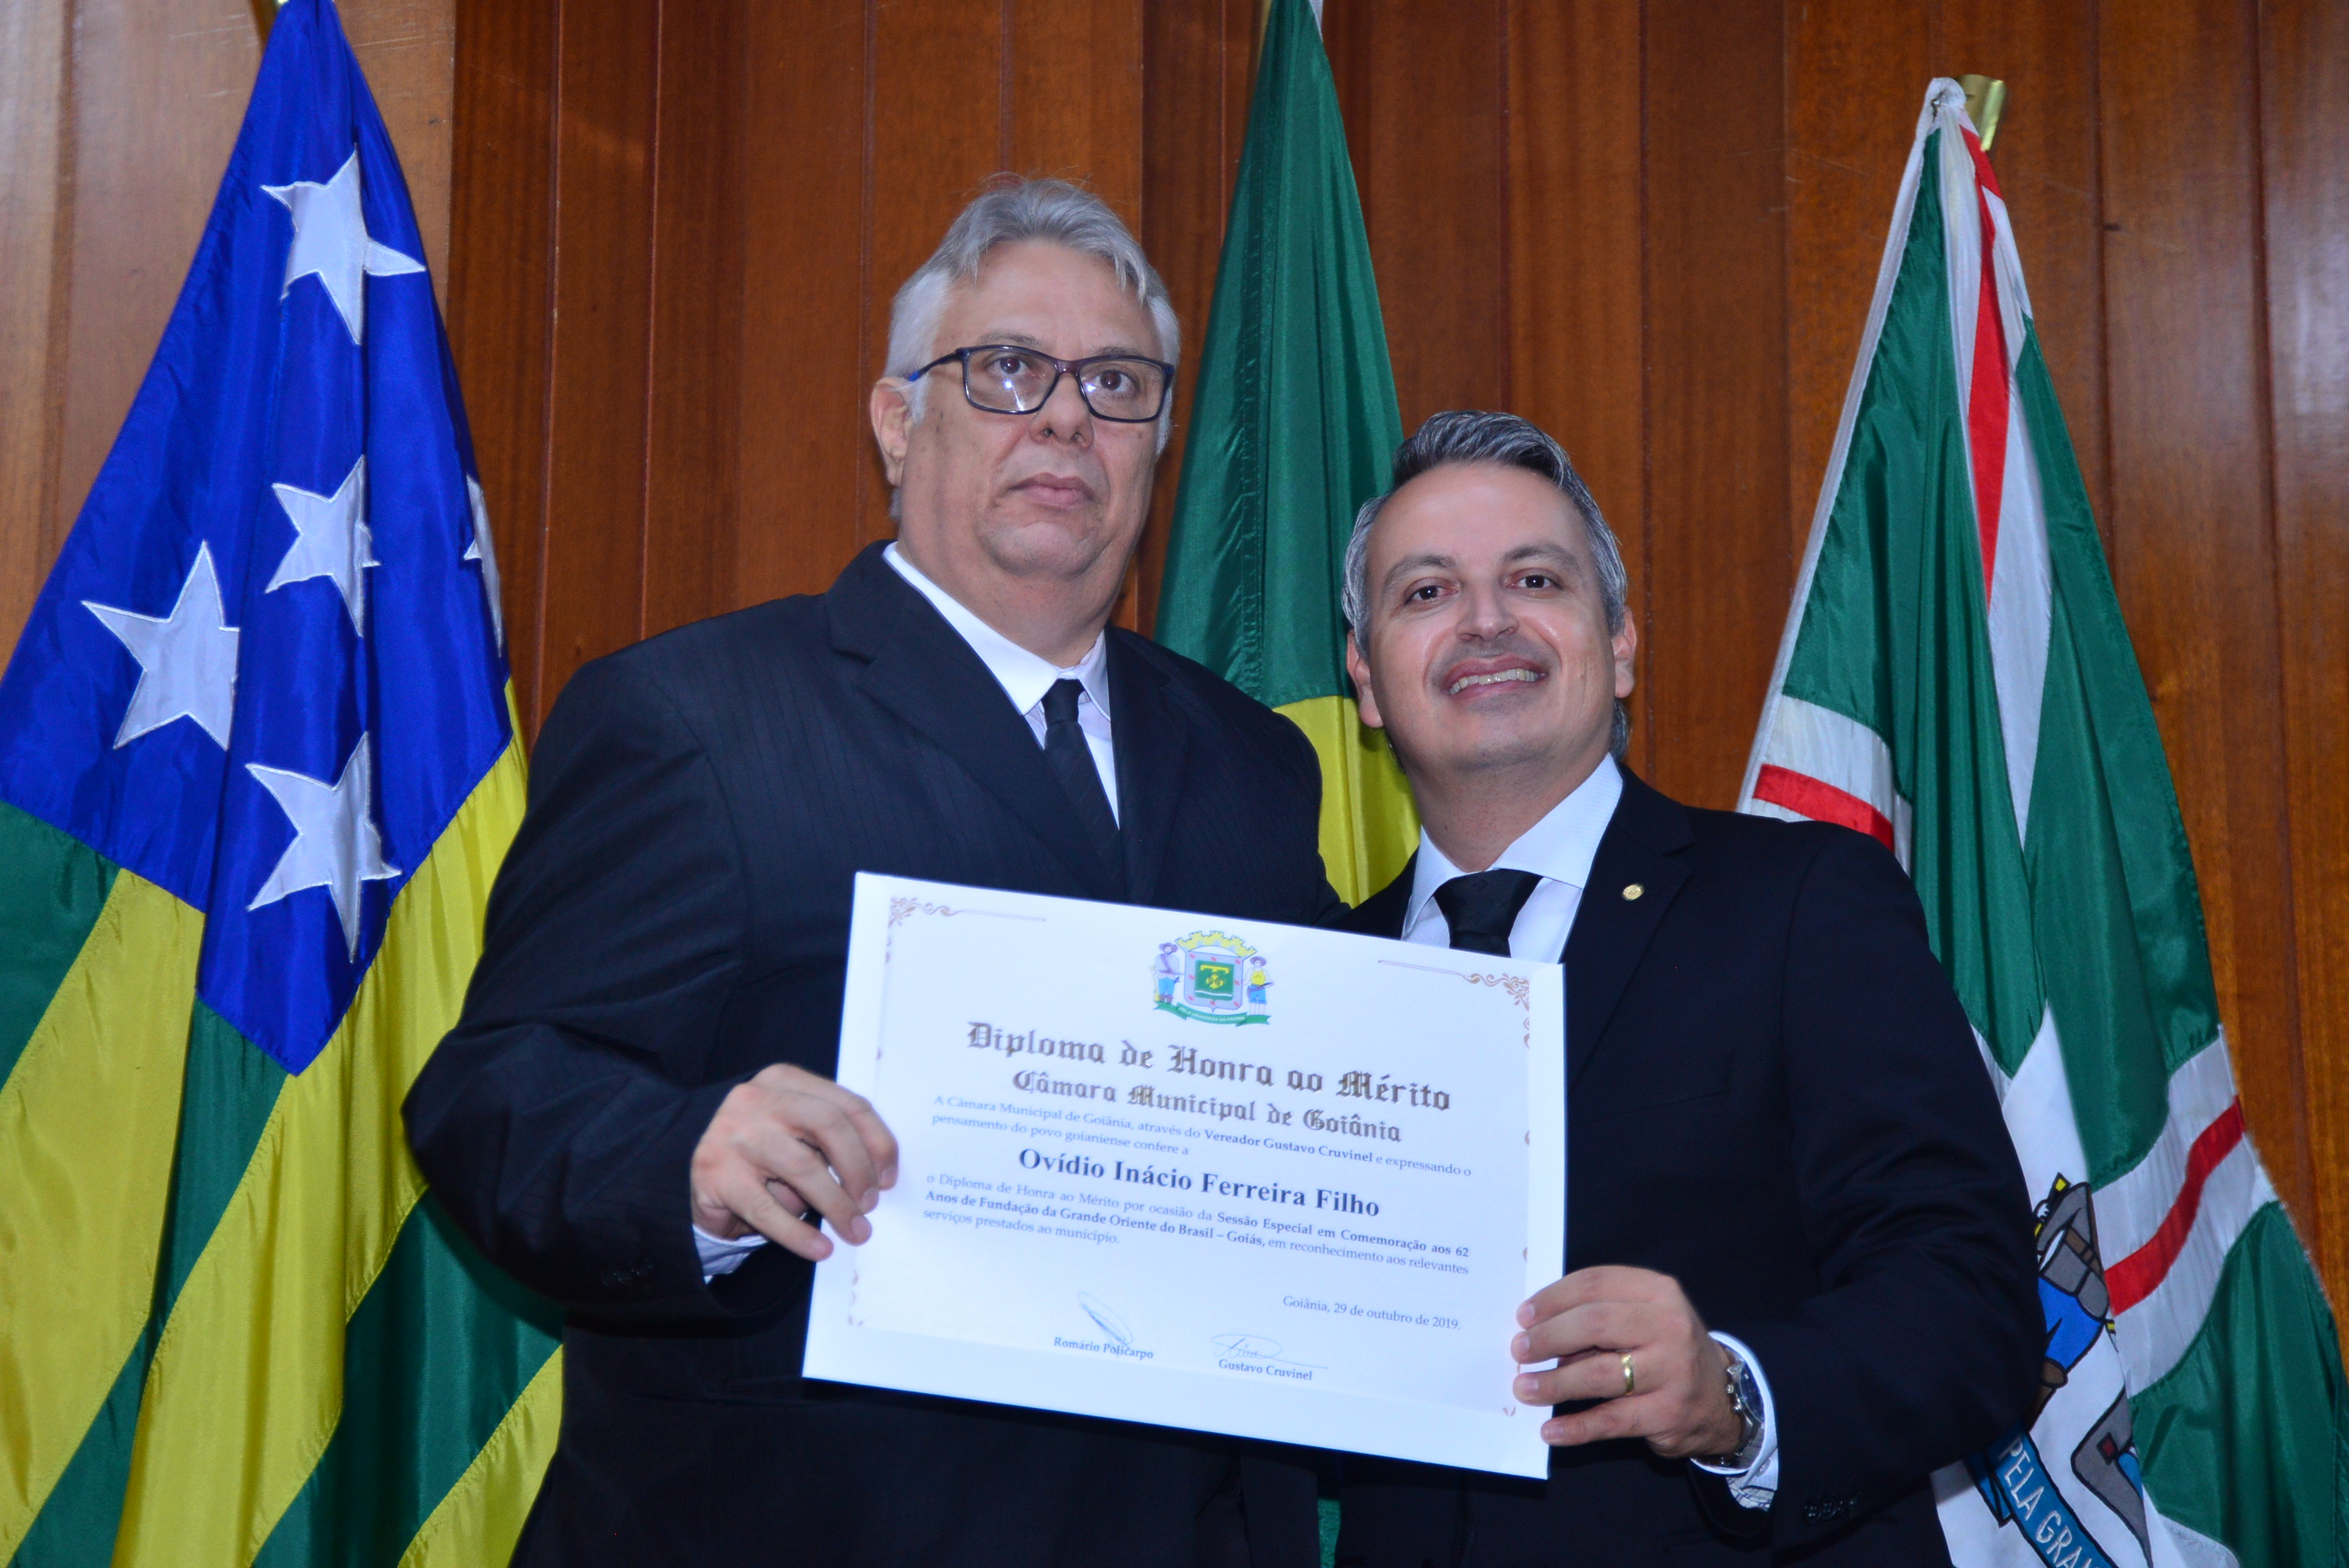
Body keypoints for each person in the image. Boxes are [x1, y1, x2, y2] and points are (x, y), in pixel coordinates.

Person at [404, 180, 1338, 1567]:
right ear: (899, 424)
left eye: (1117, 383)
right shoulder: (695, 717)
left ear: (1155, 443)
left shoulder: (1253, 762)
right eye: (1007, 369)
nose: (1065, 418)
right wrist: (692, 1160)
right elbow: (497, 1099)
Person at [1327, 411, 2041, 1563]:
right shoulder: (1313, 976)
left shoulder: (1804, 903)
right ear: (1366, 678)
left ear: (1619, 646)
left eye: (1536, 579)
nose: (1486, 620)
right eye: (1427, 592)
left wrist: (1733, 1393)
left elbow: (1973, 1301)